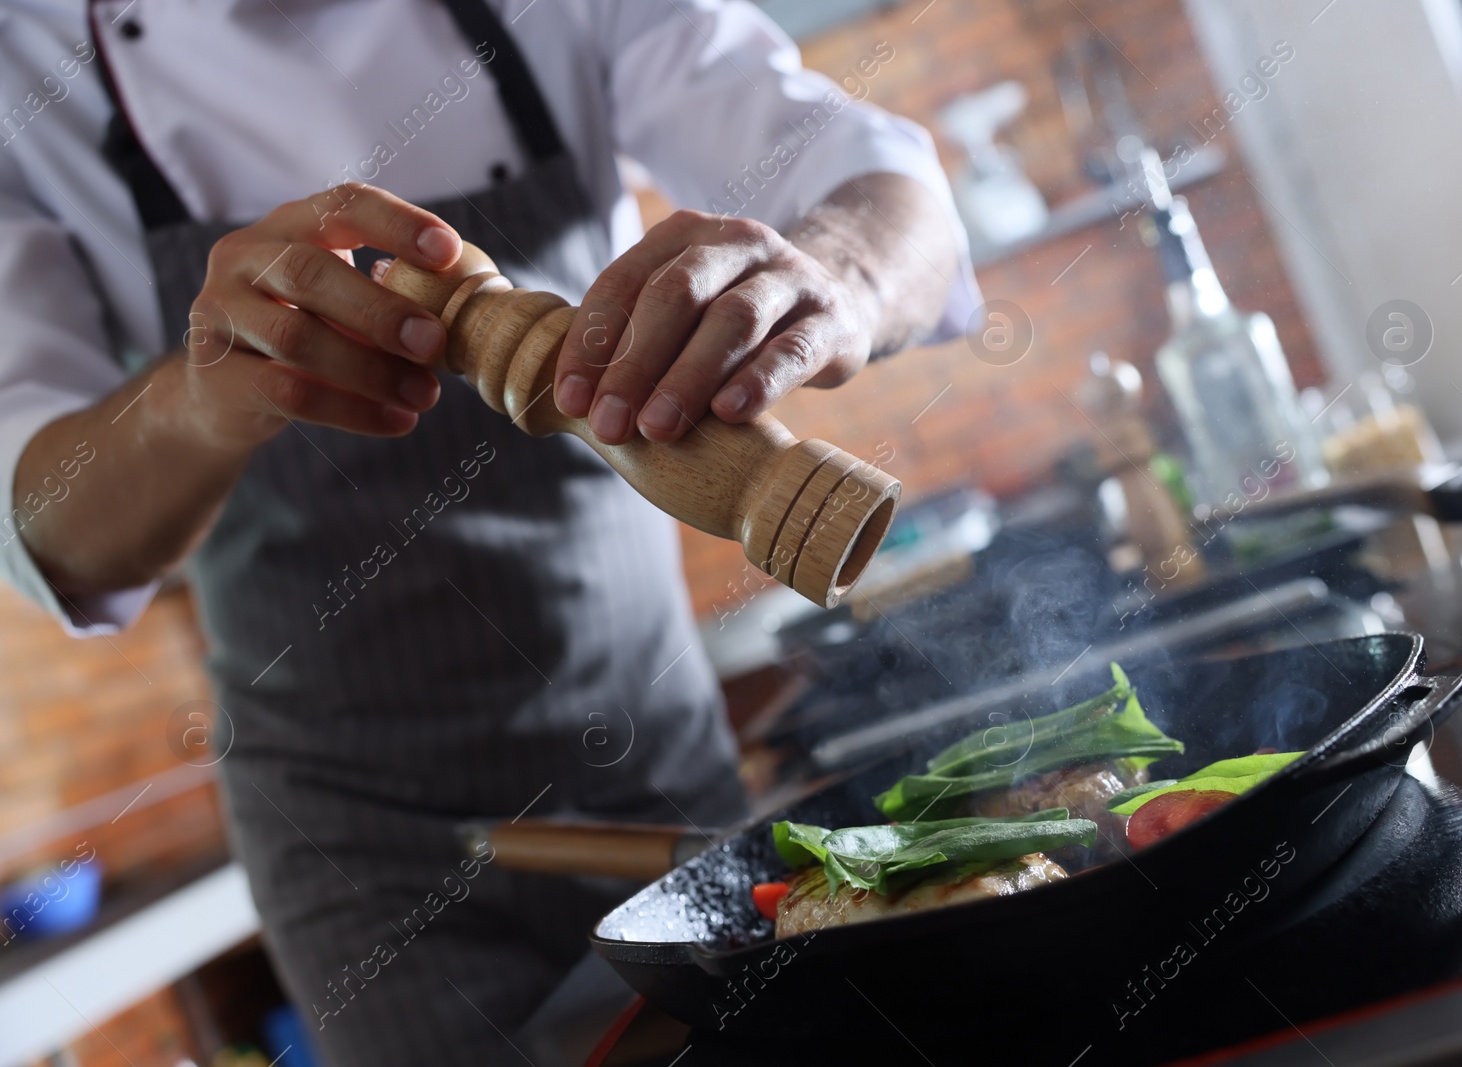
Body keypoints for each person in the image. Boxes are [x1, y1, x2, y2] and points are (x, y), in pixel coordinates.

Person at [0, 1, 973, 1062]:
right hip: (365, 849)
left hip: (651, 747)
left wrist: (842, 269)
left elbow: (882, 179)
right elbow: (47, 527)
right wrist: (194, 399)